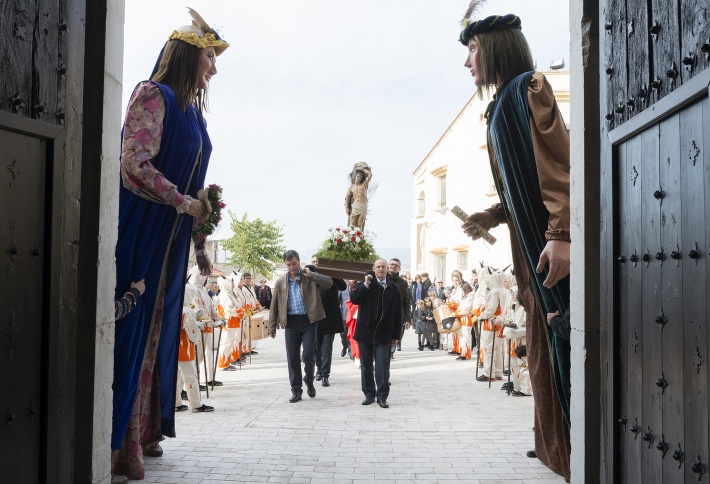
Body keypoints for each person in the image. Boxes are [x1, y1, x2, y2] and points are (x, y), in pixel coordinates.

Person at [112, 8, 228, 480]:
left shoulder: (192, 111)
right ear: (185, 55)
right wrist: (184, 203)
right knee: (131, 328)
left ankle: (138, 433)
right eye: (208, 57)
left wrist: (200, 236)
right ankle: (115, 440)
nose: (214, 68)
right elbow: (133, 163)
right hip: (142, 227)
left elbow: (194, 184)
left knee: (155, 333)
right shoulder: (152, 93)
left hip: (171, 237)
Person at [458, 8, 571, 480]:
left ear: (496, 47)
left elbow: (558, 170)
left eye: (473, 50)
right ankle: (555, 449)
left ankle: (571, 451)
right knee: (545, 350)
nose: (468, 62)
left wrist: (562, 235)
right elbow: (520, 188)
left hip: (550, 254)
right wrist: (492, 214)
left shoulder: (530, 88)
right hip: (529, 256)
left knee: (560, 344)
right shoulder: (501, 104)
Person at [267, 250, 333, 403]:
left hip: (309, 321)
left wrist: (312, 275)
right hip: (290, 323)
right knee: (292, 357)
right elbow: (274, 305)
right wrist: (271, 327)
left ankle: (309, 380)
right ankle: (296, 390)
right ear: (285, 265)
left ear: (299, 261)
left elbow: (329, 283)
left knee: (309, 354)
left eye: (294, 263)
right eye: (289, 265)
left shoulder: (309, 277)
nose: (292, 267)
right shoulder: (280, 282)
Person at [350, 259, 402, 408]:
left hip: (384, 333)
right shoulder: (366, 284)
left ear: (387, 269)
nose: (380, 269)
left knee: (381, 366)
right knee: (366, 366)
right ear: (373, 268)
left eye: (383, 267)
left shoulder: (393, 288)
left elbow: (398, 313)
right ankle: (369, 394)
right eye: (378, 267)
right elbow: (354, 299)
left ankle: (382, 396)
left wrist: (396, 335)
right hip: (365, 331)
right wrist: (366, 284)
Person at [310, 257, 348, 387]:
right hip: (315, 317)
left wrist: (332, 273)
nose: (316, 264)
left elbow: (343, 286)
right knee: (316, 347)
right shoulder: (309, 274)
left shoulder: (330, 275)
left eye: (318, 262)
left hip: (330, 317)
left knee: (327, 347)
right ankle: (319, 369)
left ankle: (325, 374)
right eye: (314, 262)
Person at [387, 258, 411, 352]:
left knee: (392, 344)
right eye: (391, 264)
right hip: (383, 317)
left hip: (396, 318)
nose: (393, 266)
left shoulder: (402, 283)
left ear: (399, 269)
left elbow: (406, 302)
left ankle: (390, 353)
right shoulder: (381, 278)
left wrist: (407, 319)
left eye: (396, 265)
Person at [344, 162, 372, 229]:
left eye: (360, 177)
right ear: (355, 177)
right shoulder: (352, 188)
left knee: (360, 224)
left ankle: (360, 238)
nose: (359, 178)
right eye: (358, 176)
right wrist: (346, 207)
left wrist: (361, 169)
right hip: (356, 205)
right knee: (352, 224)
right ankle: (350, 238)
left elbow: (370, 175)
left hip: (363, 205)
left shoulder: (363, 185)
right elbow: (347, 197)